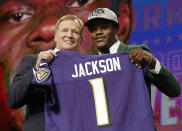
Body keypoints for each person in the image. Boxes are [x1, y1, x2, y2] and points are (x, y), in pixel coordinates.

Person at [1, 0, 132, 129]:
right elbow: (14, 99)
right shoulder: (30, 64)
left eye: (80, 2)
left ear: (119, 21)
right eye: (18, 15)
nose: (48, 27)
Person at [84, 7, 181, 130]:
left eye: (103, 27)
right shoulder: (89, 66)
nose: (98, 32)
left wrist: (151, 63)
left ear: (116, 29)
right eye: (93, 29)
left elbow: (174, 90)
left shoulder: (135, 54)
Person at [7, 14, 84, 131]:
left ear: (81, 39)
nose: (69, 35)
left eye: (75, 32)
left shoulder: (86, 69)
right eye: (65, 30)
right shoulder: (33, 61)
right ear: (56, 36)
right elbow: (13, 100)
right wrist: (37, 69)